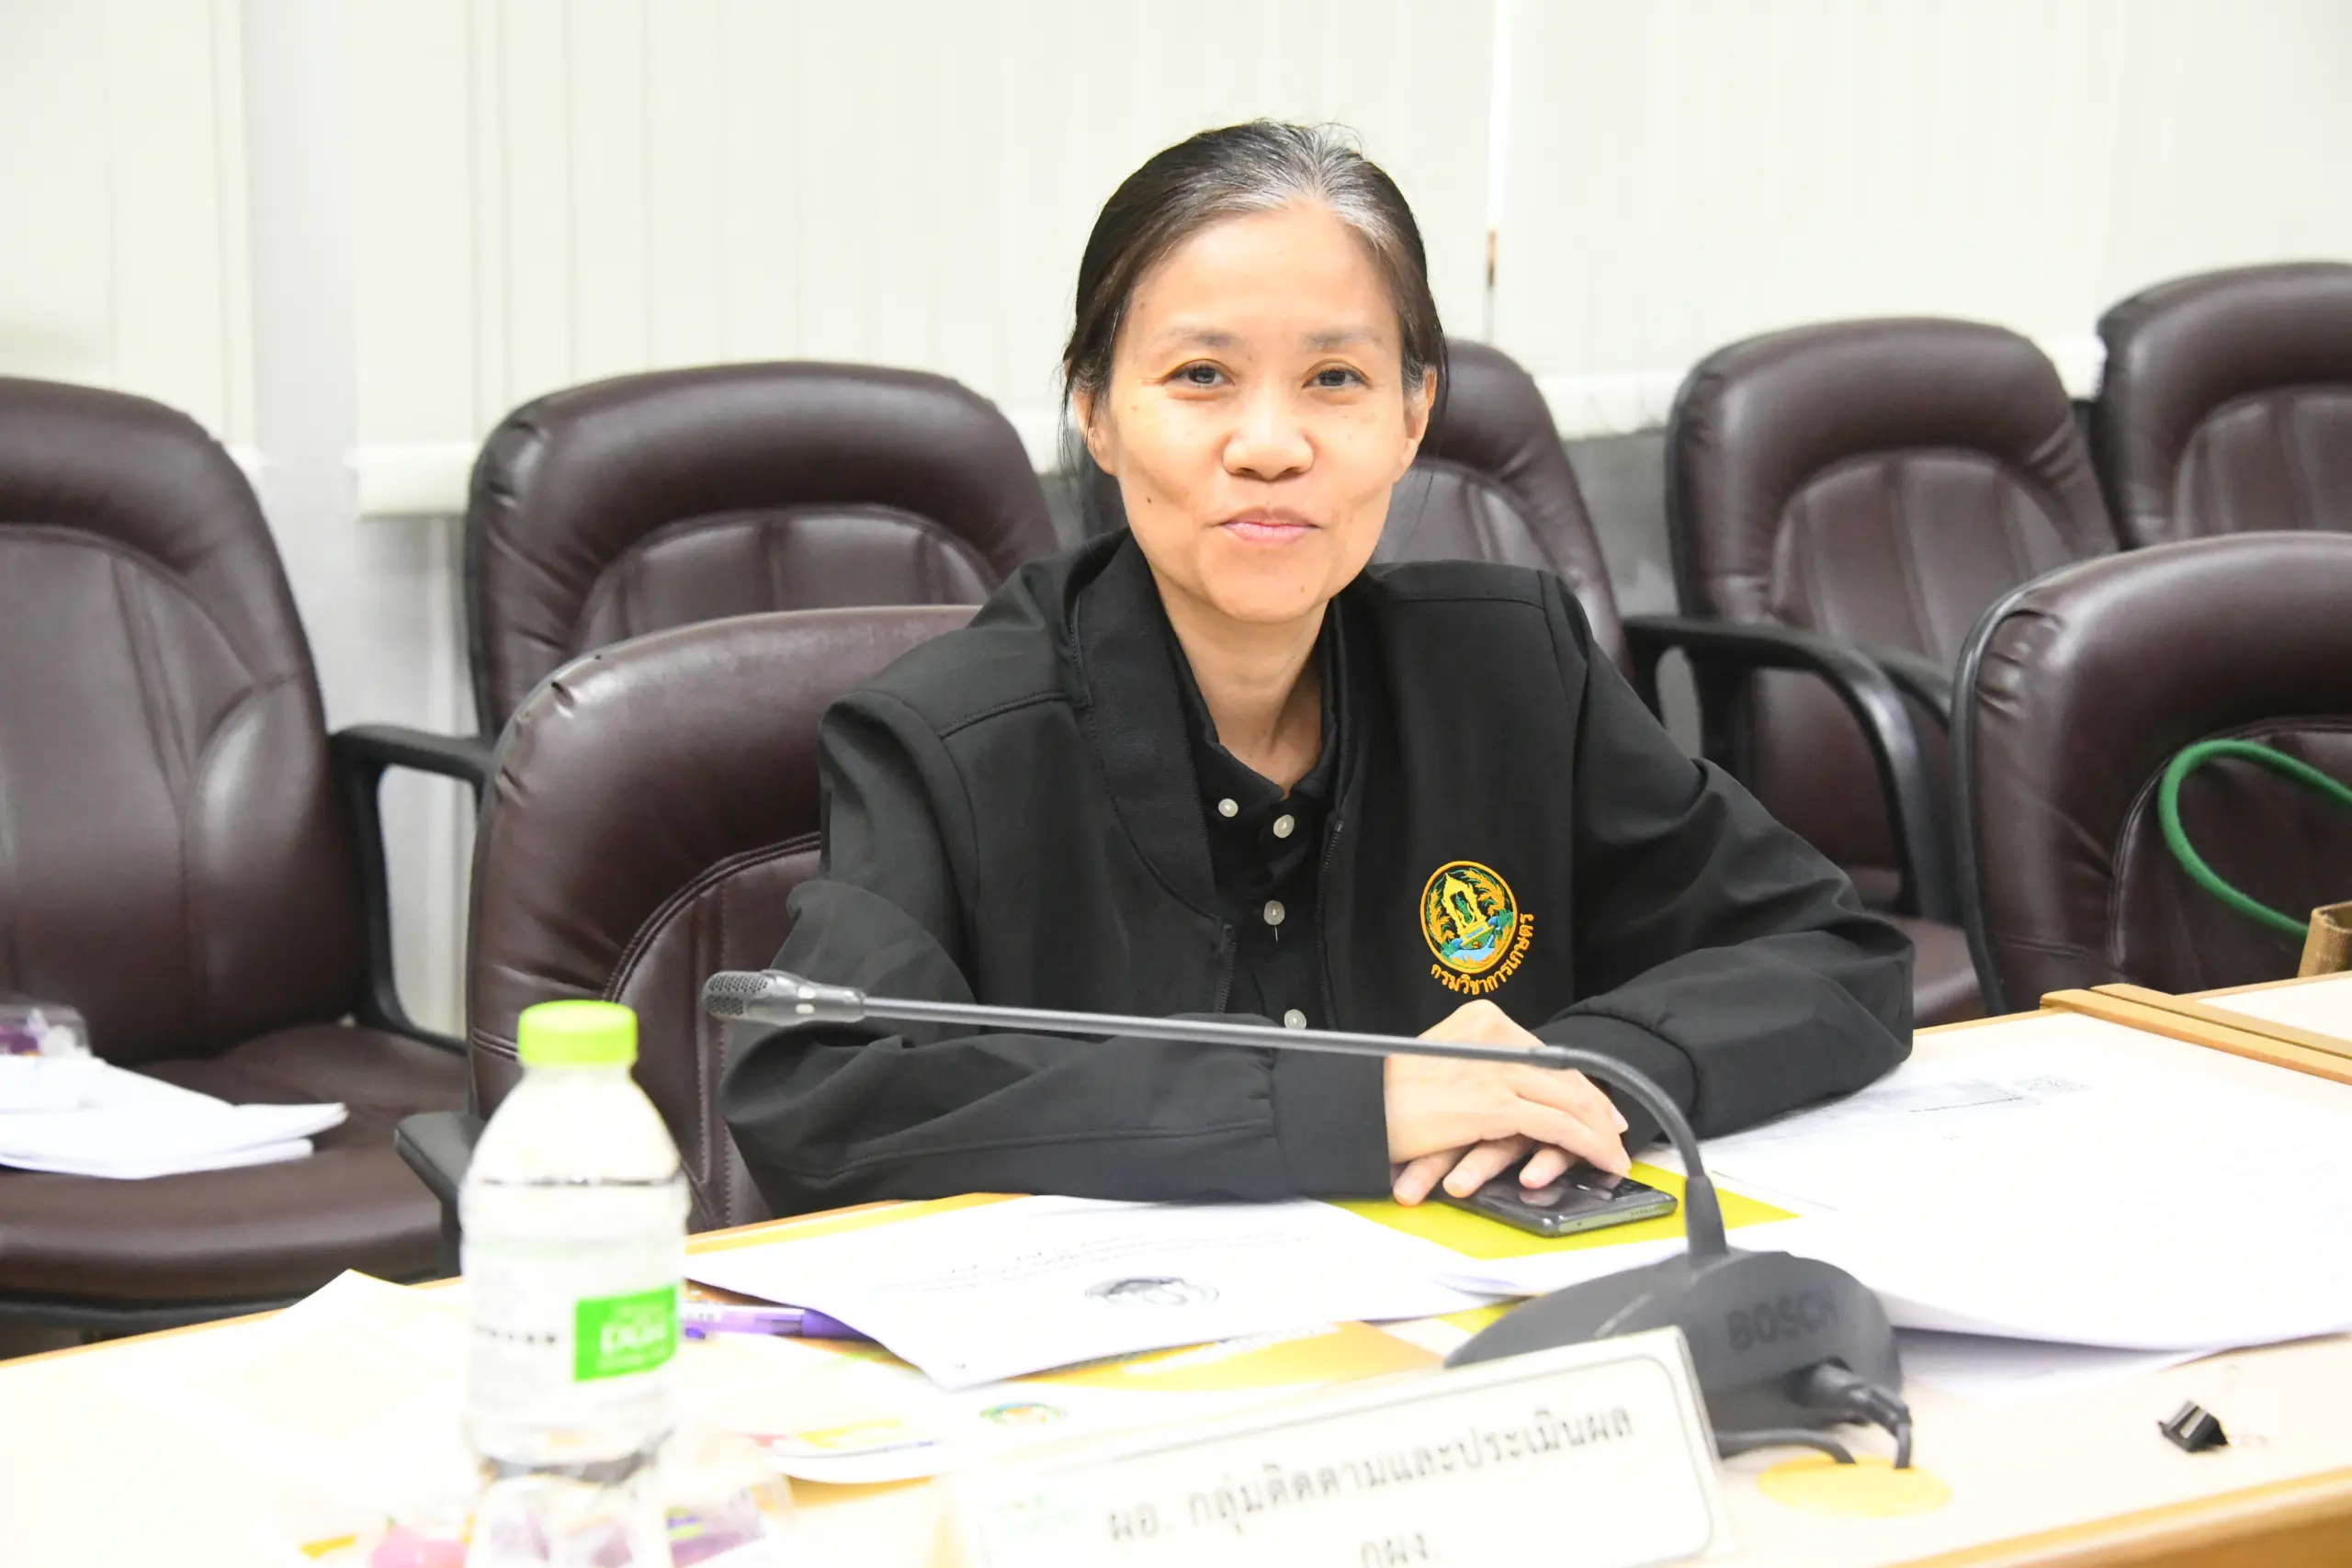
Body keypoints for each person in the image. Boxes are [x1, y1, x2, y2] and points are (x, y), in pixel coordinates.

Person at [723, 121, 1911, 1216]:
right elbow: (820, 1100)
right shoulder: (945, 738)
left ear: (1413, 415)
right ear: (1096, 412)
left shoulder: (1512, 670)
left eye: (1335, 379)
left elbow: (1834, 955)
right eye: (1201, 376)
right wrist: (1352, 1104)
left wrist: (1577, 1072)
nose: (1271, 445)